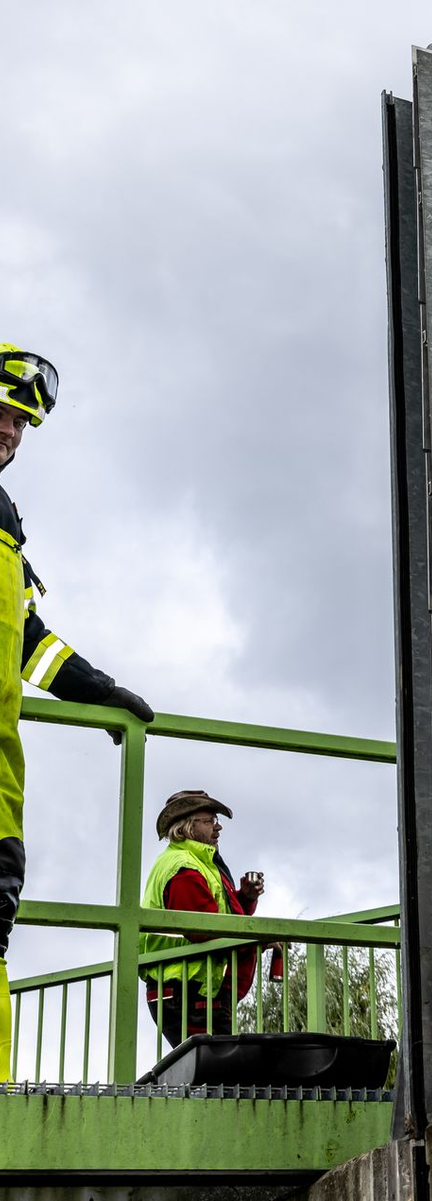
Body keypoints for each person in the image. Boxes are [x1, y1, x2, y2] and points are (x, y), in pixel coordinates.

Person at [0, 343, 153, 1082]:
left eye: (21, 422)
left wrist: (98, 689)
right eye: (3, 414)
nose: (11, 433)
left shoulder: (5, 519)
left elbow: (25, 640)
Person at [140, 790, 267, 1047]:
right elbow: (204, 929)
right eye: (209, 820)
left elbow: (212, 918)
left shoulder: (198, 862)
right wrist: (259, 941)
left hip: (189, 987)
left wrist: (244, 897)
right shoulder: (184, 868)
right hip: (185, 989)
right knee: (219, 1075)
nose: (218, 827)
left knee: (215, 1074)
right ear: (186, 827)